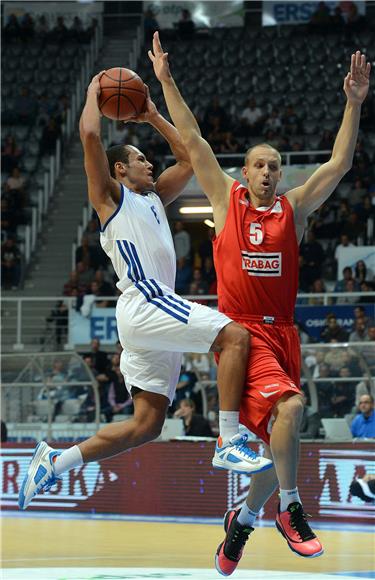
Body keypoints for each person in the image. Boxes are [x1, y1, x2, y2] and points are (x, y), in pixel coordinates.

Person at [149, 32, 370, 570]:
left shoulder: (294, 208)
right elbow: (196, 139)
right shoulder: (226, 201)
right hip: (242, 338)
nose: (269, 172)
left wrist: (354, 102)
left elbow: (339, 162)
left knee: (277, 450)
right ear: (244, 174)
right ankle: (291, 510)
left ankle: (240, 524)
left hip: (284, 334)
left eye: (275, 166)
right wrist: (167, 81)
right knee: (292, 409)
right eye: (259, 166)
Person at [19, 73, 272, 511]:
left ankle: (55, 462)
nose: (149, 164)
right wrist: (94, 91)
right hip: (144, 301)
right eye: (140, 159)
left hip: (150, 320)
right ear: (120, 169)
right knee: (235, 337)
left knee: (148, 424)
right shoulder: (111, 198)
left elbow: (188, 160)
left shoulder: (154, 197)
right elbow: (90, 133)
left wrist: (153, 114)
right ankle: (229, 438)